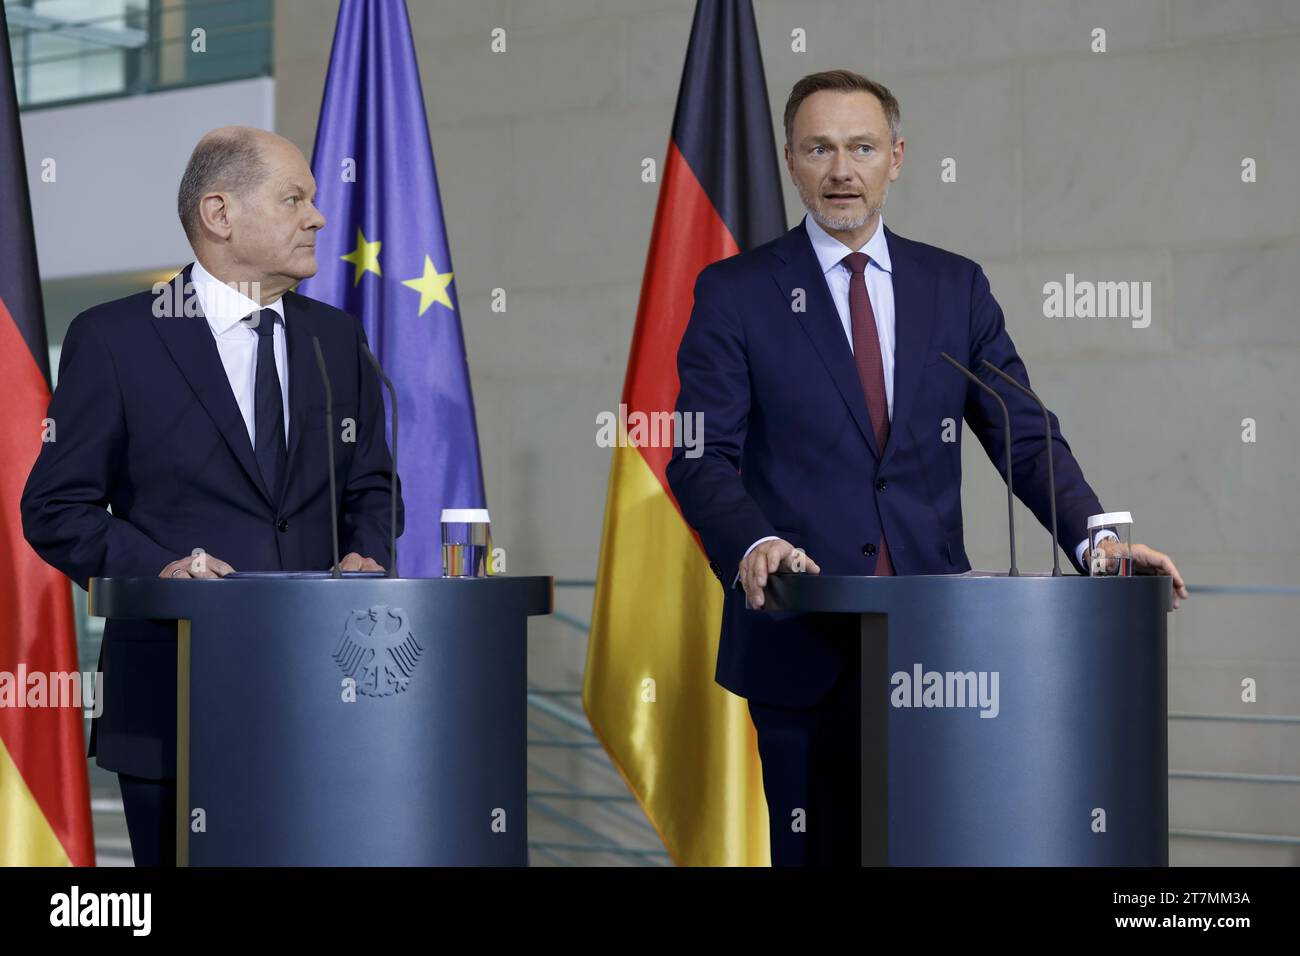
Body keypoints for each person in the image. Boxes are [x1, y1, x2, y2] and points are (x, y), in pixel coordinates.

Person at [665, 70, 1188, 866]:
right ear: (790, 160)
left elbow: (1025, 437)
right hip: (804, 647)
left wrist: (1096, 542)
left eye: (862, 147)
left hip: (946, 651)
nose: (842, 169)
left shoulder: (954, 286)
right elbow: (701, 456)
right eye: (820, 148)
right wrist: (753, 544)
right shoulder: (735, 293)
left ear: (897, 158)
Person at [21, 126, 403, 866]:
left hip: (322, 699)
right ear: (220, 215)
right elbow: (56, 507)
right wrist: (161, 569)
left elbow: (374, 484)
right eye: (295, 199)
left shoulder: (336, 338)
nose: (317, 218)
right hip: (175, 703)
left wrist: (366, 552)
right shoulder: (115, 338)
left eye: (314, 201)